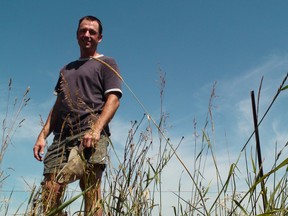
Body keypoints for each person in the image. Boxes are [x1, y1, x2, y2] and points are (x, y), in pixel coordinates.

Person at [33, 15, 122, 216]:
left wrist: (96, 129)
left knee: (90, 191)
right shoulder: (66, 69)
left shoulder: (107, 63)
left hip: (89, 134)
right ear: (77, 35)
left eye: (92, 31)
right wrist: (42, 135)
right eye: (83, 31)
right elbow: (58, 105)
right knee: (50, 192)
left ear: (99, 37)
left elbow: (114, 99)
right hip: (61, 137)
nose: (87, 35)